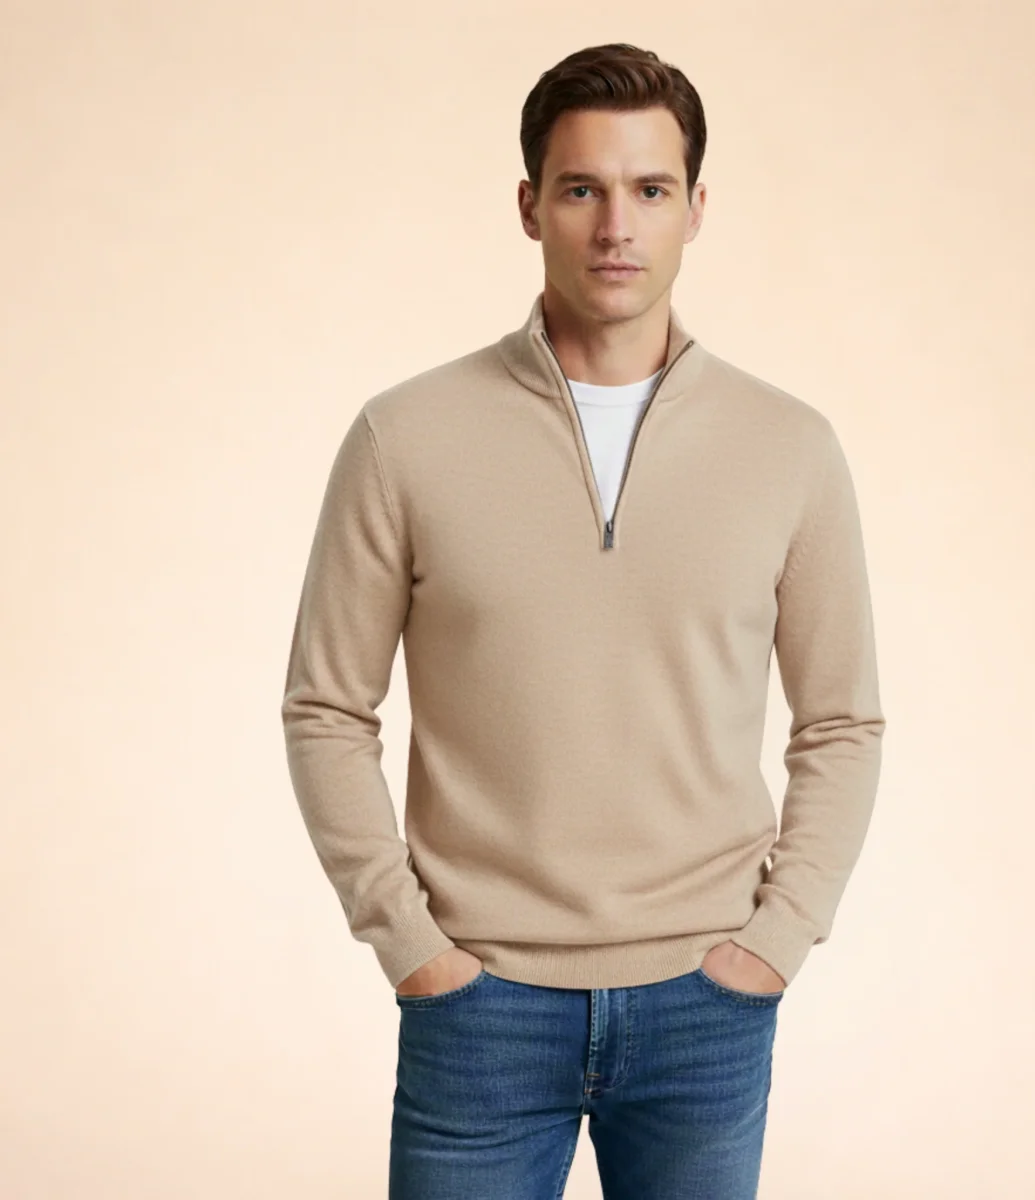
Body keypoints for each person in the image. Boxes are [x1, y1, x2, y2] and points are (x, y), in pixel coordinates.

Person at [281, 41, 886, 1200]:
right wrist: (411, 945)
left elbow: (843, 721)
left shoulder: (789, 448)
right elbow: (325, 707)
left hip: (705, 1008)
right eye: (581, 189)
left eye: (651, 189)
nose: (617, 225)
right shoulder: (405, 437)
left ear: (695, 210)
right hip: (480, 1006)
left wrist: (777, 940)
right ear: (530, 207)